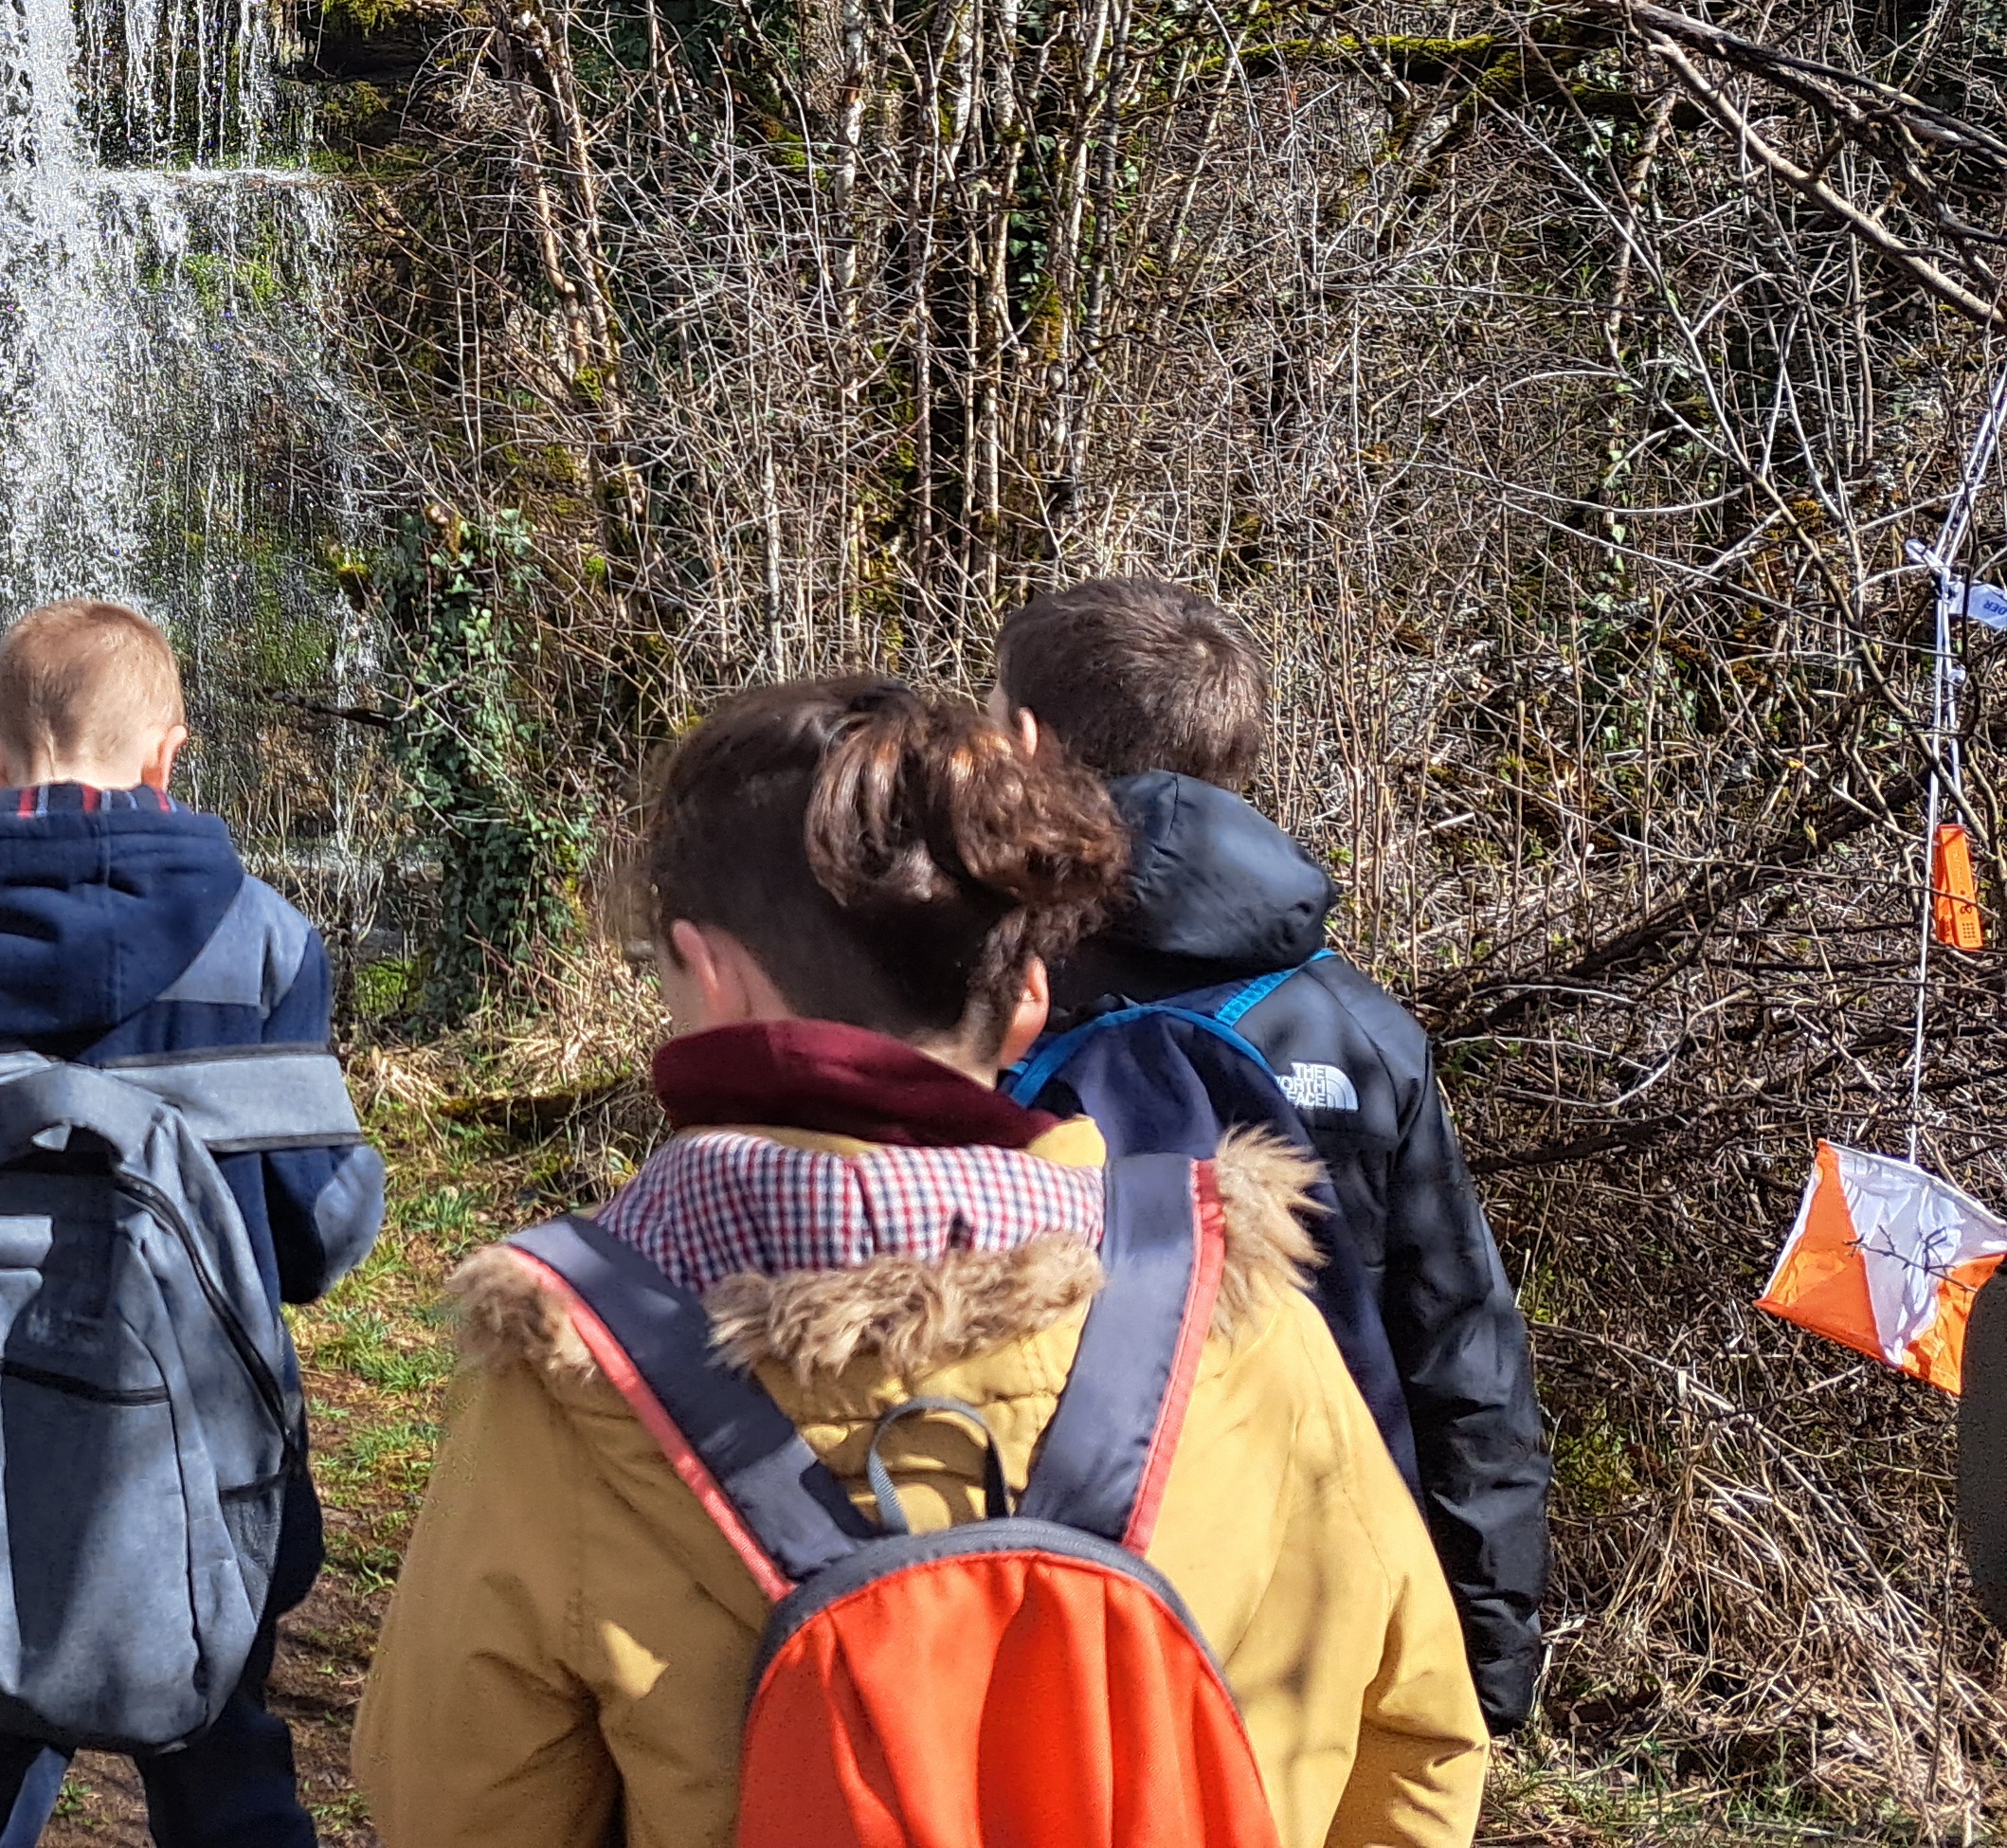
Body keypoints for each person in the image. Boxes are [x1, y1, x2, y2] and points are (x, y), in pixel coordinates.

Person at [354, 674, 1488, 1848]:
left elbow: (453, 1803)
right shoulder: (1231, 1300)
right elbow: (1416, 1743)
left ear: (709, 972)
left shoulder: (570, 1364)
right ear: (1027, 1000)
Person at [0, 598, 383, 1848]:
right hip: (204, 1475)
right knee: (222, 1758)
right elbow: (323, 1231)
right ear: (169, 757)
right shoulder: (263, 945)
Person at [995, 575, 1551, 1738]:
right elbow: (1462, 1361)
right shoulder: (1362, 1029)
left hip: (1026, 1614)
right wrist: (1482, 1673)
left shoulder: (967, 997)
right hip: (1307, 1637)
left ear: (1029, 747)